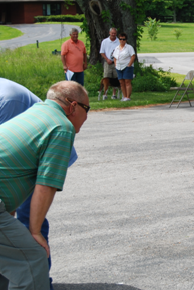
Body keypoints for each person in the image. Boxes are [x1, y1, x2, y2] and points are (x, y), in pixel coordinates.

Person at [0, 81, 89, 290]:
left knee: (10, 261)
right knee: (31, 258)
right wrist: (35, 232)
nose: (87, 117)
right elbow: (45, 184)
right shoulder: (61, 127)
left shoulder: (35, 113)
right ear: (73, 106)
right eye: (87, 109)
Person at [112, 32, 136, 102]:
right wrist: (116, 65)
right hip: (119, 67)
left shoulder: (129, 47)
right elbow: (114, 57)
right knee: (121, 82)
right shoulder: (117, 48)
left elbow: (133, 56)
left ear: (126, 40)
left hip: (127, 66)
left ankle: (128, 97)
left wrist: (129, 65)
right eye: (120, 39)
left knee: (127, 82)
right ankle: (124, 96)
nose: (122, 40)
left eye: (123, 39)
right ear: (118, 39)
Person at [99, 27, 120, 99]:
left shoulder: (119, 41)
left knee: (116, 78)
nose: (113, 34)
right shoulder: (105, 41)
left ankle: (114, 94)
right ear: (109, 33)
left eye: (115, 33)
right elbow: (102, 52)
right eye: (112, 33)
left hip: (116, 63)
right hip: (108, 62)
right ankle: (105, 94)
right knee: (107, 78)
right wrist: (107, 59)